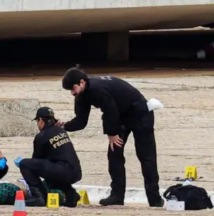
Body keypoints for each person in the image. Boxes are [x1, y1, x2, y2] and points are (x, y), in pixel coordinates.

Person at [58, 67, 164, 207]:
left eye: (73, 88)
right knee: (114, 155)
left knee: (146, 157)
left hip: (140, 113)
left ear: (82, 82)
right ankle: (117, 196)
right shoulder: (81, 96)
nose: (72, 93)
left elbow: (110, 110)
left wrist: (112, 134)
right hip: (122, 116)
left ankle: (154, 199)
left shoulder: (97, 88)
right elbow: (81, 121)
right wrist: (63, 126)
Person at [15, 107, 82, 208]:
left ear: (41, 120)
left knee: (25, 164)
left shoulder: (41, 136)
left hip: (62, 171)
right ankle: (71, 195)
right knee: (52, 169)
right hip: (76, 172)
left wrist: (22, 164)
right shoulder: (61, 130)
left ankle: (40, 197)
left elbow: (35, 162)